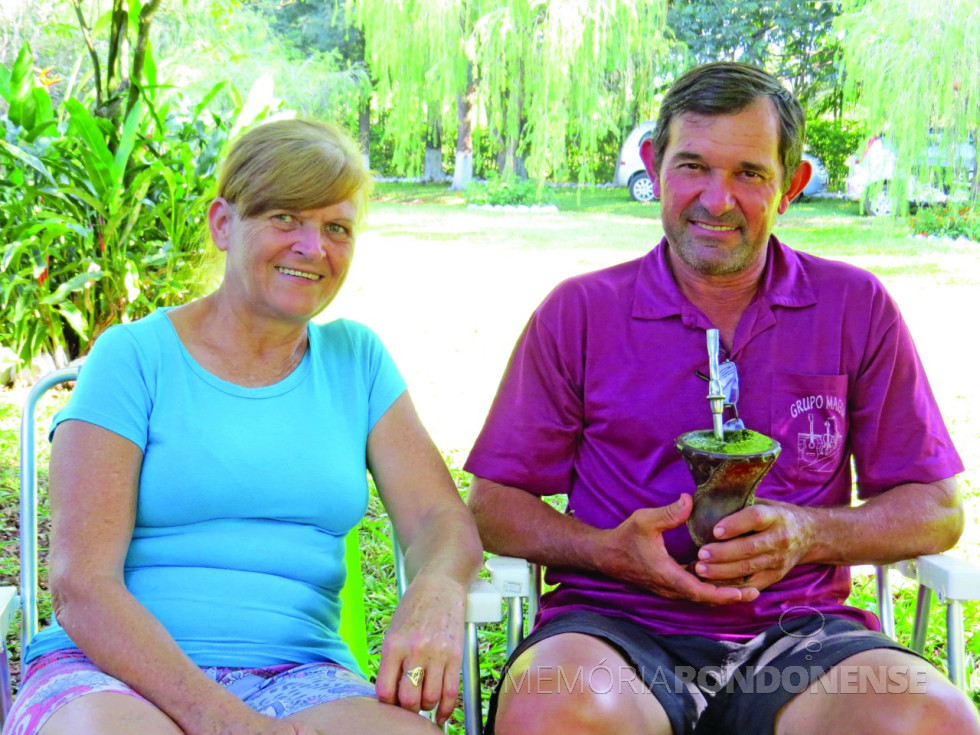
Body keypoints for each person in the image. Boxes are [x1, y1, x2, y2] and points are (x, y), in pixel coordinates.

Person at [464, 62, 980, 735]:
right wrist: (611, 551)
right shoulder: (581, 311)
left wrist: (810, 532)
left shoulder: (855, 306)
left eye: (749, 173)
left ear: (791, 184)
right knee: (552, 709)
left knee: (932, 717)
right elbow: (495, 506)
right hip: (616, 631)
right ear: (653, 165)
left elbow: (936, 510)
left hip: (803, 640)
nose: (717, 199)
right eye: (693, 166)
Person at [4, 118, 483, 735]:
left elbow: (440, 521)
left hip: (302, 678)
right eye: (286, 218)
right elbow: (80, 585)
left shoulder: (356, 362)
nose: (314, 247)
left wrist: (438, 584)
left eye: (336, 227)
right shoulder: (133, 357)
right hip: (115, 674)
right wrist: (222, 719)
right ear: (223, 223)